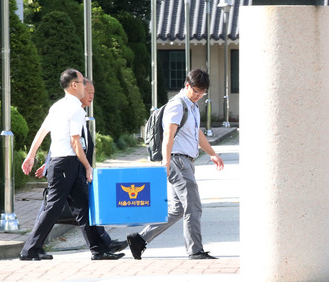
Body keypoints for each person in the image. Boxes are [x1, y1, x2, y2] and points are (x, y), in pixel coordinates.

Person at [20, 69, 123, 261]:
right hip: (66, 164)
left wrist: (31, 155)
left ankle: (98, 250)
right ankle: (30, 249)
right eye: (83, 82)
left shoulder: (58, 106)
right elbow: (75, 141)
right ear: (74, 85)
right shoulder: (75, 109)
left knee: (83, 207)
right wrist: (88, 166)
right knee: (53, 207)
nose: (86, 86)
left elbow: (42, 132)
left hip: (64, 164)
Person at [126, 69, 224, 260]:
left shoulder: (192, 106)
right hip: (177, 161)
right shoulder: (177, 105)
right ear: (187, 85)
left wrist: (212, 153)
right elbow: (168, 136)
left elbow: (197, 134)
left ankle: (139, 239)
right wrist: (166, 163)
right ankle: (195, 250)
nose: (198, 96)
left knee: (178, 209)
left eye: (202, 93)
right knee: (193, 206)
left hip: (186, 161)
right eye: (195, 91)